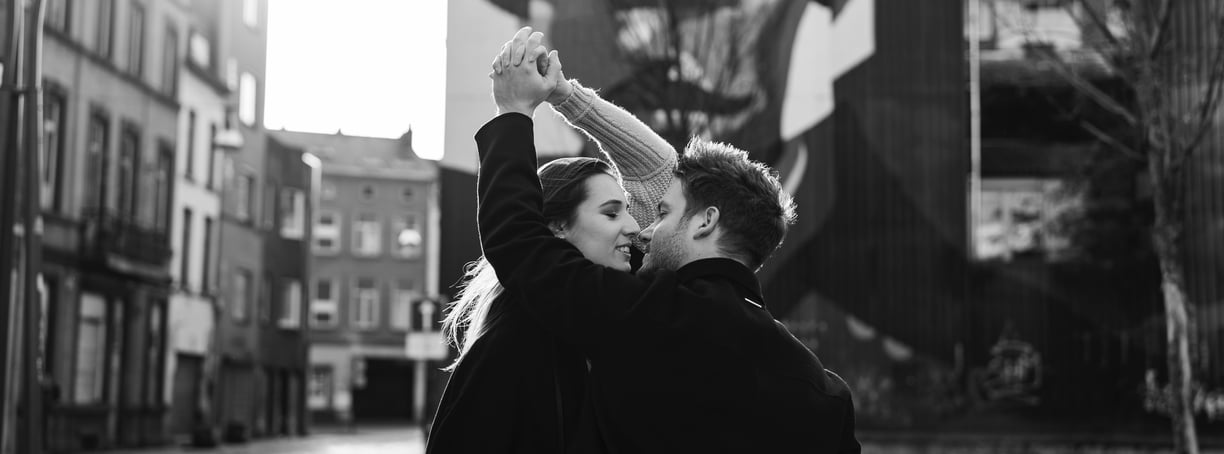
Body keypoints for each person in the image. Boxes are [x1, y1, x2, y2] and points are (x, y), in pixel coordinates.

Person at [475, 27, 860, 453]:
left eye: (661, 214)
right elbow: (658, 172)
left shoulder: (649, 317)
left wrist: (513, 110)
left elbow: (516, 240)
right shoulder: (821, 390)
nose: (643, 230)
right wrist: (566, 95)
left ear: (706, 222)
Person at [427, 29, 677, 453]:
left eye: (628, 212)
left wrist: (566, 95)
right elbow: (516, 232)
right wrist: (514, 110)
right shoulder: (510, 349)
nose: (635, 227)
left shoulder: (610, 306)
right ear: (556, 227)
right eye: (611, 212)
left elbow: (660, 173)